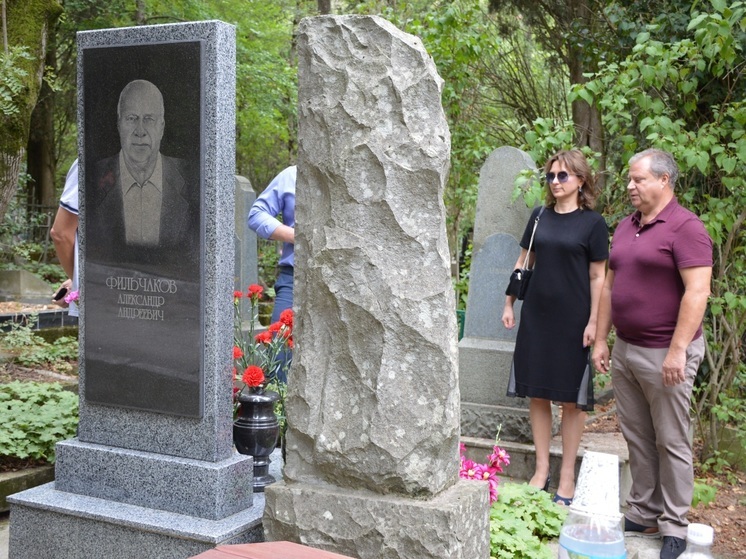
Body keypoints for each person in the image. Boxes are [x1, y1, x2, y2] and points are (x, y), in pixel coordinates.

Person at [592, 149, 712, 559]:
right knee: (638, 438)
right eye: (629, 179)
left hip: (667, 353)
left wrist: (678, 351)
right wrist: (604, 340)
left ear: (664, 181)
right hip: (626, 349)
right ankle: (643, 511)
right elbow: (610, 285)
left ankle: (674, 524)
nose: (629, 186)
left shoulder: (686, 228)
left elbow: (698, 292)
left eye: (638, 179)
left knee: (671, 440)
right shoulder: (627, 226)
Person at [502, 149, 608, 505]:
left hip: (574, 319)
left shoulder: (593, 224)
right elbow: (523, 262)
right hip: (538, 316)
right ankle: (542, 470)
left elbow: (598, 276)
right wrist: (509, 304)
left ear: (580, 180)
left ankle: (566, 478)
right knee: (538, 393)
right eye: (551, 176)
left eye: (563, 176)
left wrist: (594, 321)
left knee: (571, 401)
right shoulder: (538, 217)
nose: (556, 182)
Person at [86, 79, 198, 274]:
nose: (140, 131)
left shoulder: (192, 180)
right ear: (119, 124)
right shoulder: (93, 178)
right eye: (131, 118)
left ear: (161, 127)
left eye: (149, 119)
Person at [248, 165, 296, 325]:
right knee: (280, 348)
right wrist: (297, 236)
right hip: (295, 279)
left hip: (351, 279)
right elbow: (257, 215)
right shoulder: (292, 175)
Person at [50, 159, 80, 316]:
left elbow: (61, 234)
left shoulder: (90, 157)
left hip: (102, 289)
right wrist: (76, 280)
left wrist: (78, 282)